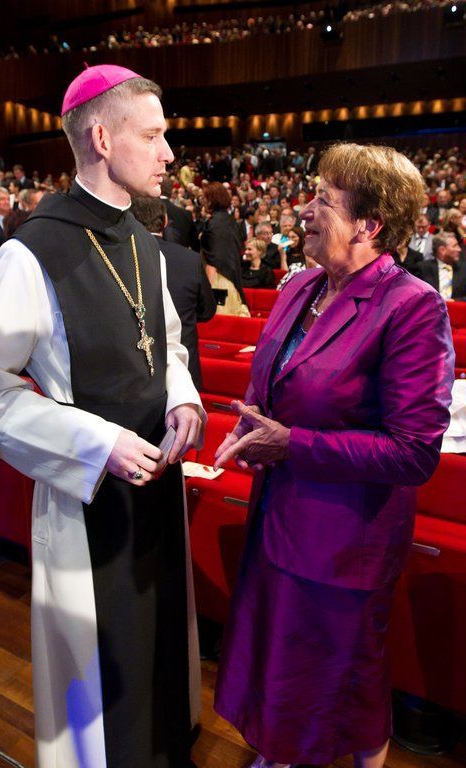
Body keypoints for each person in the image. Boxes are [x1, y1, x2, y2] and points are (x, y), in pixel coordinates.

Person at [0, 64, 205, 768]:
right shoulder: (32, 251)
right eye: (152, 136)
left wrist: (182, 395)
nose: (168, 154)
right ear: (101, 138)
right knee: (103, 700)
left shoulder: (143, 240)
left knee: (160, 668)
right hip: (85, 496)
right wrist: (95, 442)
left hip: (157, 488)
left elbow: (164, 343)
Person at [213, 143, 454, 768]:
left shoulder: (411, 306)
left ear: (369, 224)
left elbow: (414, 451)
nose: (305, 210)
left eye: (323, 200)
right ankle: (281, 753)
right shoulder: (301, 286)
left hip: (344, 539)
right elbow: (276, 384)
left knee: (345, 684)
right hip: (278, 517)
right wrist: (253, 425)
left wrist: (292, 443)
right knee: (280, 668)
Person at [130, 195, 216, 391]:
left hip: (139, 373)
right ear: (166, 221)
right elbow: (207, 311)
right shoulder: (190, 259)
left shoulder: (122, 258)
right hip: (183, 368)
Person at [201, 182, 250, 316]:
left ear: (212, 199)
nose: (203, 201)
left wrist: (207, 289)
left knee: (219, 322)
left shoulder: (215, 224)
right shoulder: (230, 220)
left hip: (218, 280)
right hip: (232, 278)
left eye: (205, 198)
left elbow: (215, 258)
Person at [417, 233, 466, 300]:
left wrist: (454, 301)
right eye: (455, 246)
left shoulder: (464, 269)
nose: (459, 249)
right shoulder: (423, 268)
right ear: (442, 250)